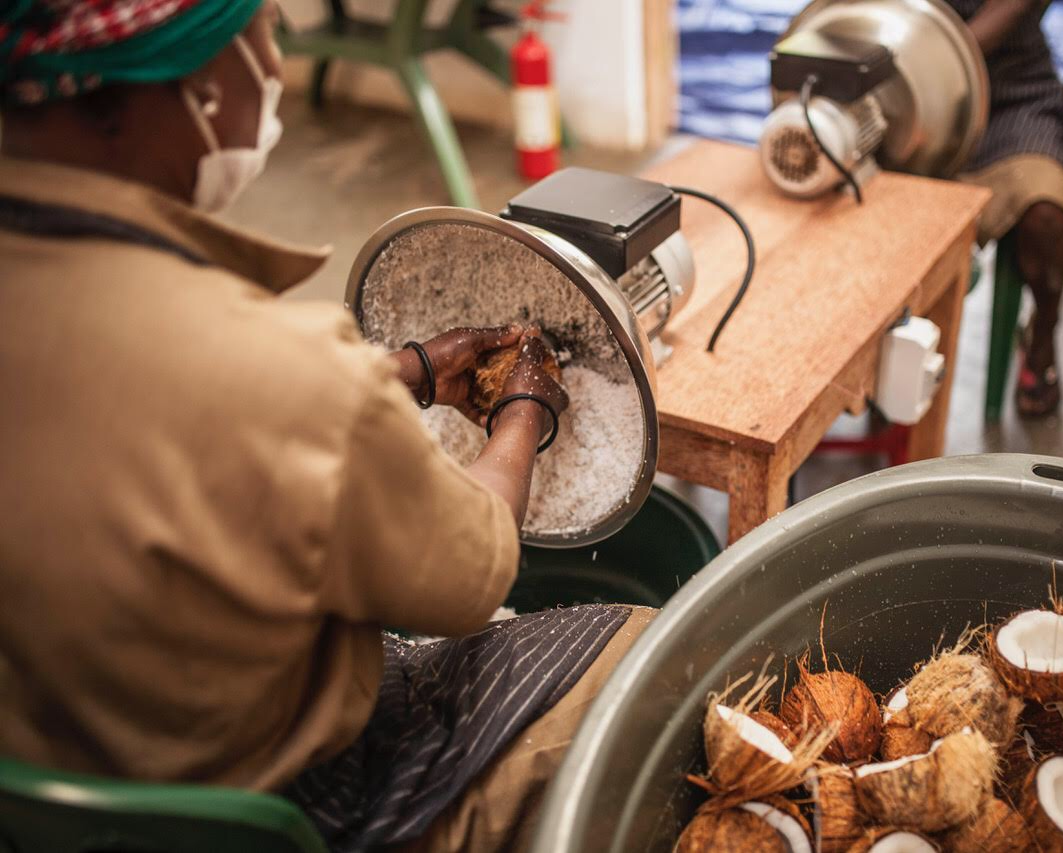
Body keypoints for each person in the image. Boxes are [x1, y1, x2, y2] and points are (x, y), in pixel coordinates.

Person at [0, 2, 652, 850]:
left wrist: (407, 371)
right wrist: (526, 408)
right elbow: (473, 574)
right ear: (186, 81)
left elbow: (159, 418)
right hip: (275, 806)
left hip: (53, 778)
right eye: (266, 30)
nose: (274, 70)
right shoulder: (281, 365)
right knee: (650, 652)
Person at [949, 0, 1063, 416]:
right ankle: (888, 349)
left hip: (1012, 96)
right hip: (916, 94)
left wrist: (935, 51)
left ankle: (1043, 333)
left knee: (1047, 212)